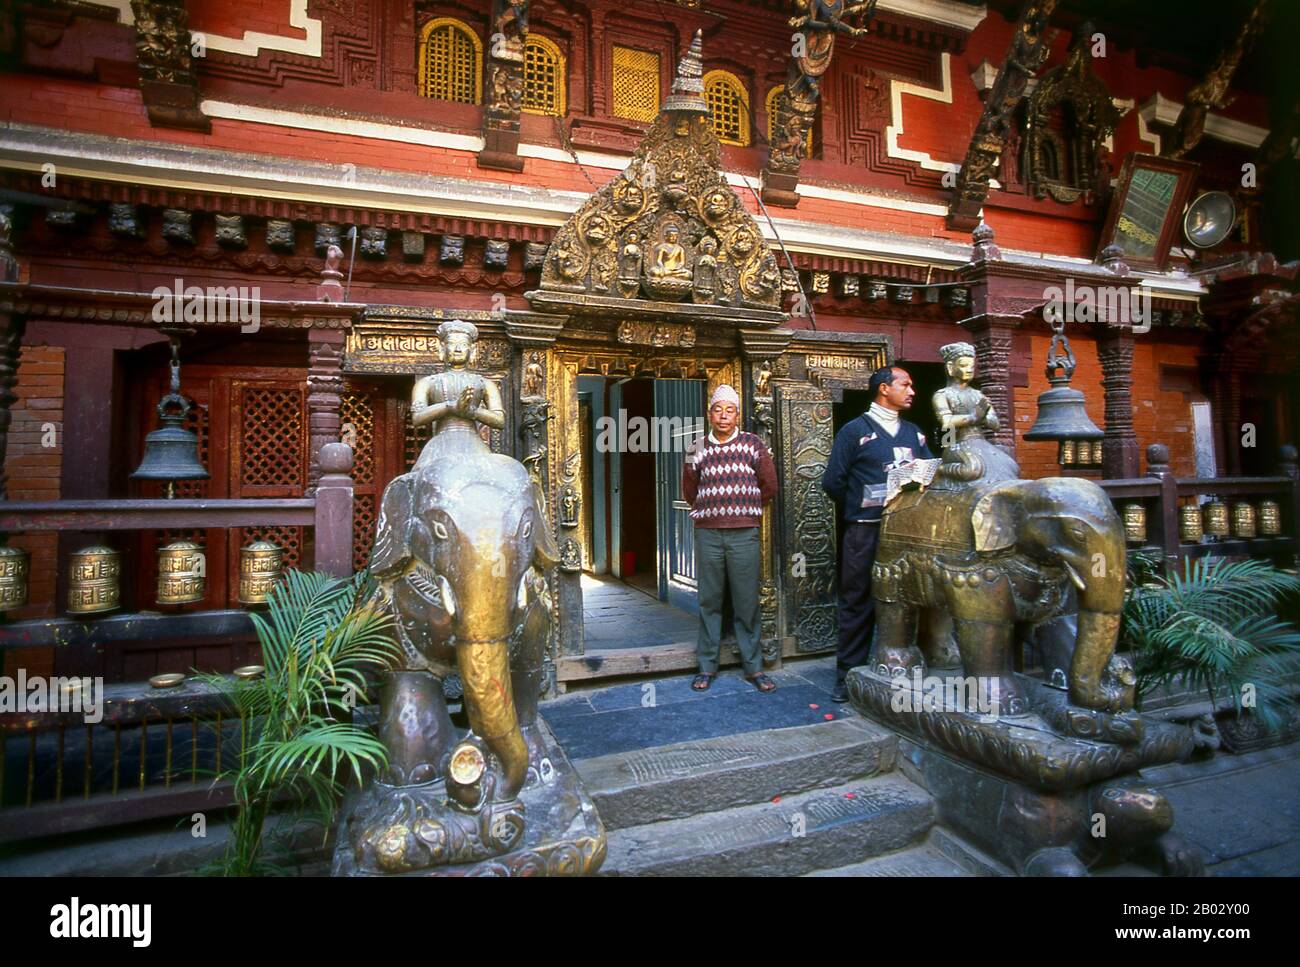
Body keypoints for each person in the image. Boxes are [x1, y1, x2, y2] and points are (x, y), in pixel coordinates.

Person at [821, 366, 934, 703]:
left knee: (907, 598)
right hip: (865, 532)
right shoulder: (854, 431)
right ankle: (847, 677)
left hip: (906, 536)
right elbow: (832, 482)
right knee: (857, 602)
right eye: (906, 385)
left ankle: (899, 667)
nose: (912, 391)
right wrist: (863, 506)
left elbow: (929, 472)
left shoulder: (914, 434)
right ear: (884, 389)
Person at [682, 384, 778, 693]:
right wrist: (714, 508)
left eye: (730, 410)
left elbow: (769, 486)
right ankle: (707, 666)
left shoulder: (753, 445)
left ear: (737, 415)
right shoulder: (696, 447)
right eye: (718, 409)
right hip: (708, 533)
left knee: (746, 601)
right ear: (709, 414)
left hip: (744, 533)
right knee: (709, 600)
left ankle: (753, 667)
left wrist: (743, 508)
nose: (724, 415)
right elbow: (689, 490)